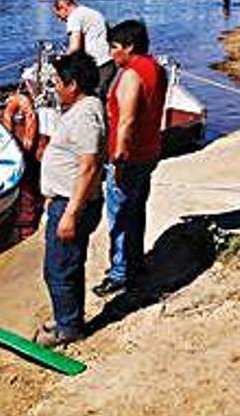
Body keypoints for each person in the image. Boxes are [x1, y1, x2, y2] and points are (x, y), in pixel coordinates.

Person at [34, 51, 106, 347]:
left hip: (74, 205)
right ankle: (69, 319)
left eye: (57, 83)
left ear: (73, 84)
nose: (54, 88)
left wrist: (71, 213)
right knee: (67, 266)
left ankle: (69, 329)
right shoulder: (80, 109)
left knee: (58, 269)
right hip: (64, 200)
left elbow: (89, 166)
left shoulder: (87, 114)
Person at [92, 20, 168, 297]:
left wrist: (118, 159)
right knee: (136, 209)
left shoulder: (131, 75)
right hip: (149, 151)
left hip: (130, 155)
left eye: (114, 47)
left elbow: (125, 121)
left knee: (120, 215)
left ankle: (120, 273)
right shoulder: (156, 69)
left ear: (129, 47)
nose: (111, 53)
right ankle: (135, 263)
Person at [52, 0, 117, 101]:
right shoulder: (93, 13)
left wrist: (62, 65)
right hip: (109, 62)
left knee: (93, 100)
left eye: (58, 15)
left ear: (63, 7)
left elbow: (75, 47)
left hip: (97, 65)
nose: (60, 20)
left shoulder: (74, 17)